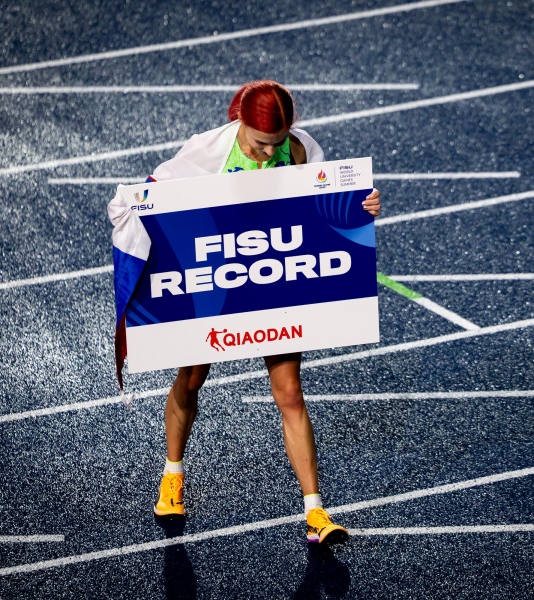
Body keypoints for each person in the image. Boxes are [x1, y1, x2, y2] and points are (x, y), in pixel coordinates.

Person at [140, 80, 381, 545]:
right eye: (259, 143)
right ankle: (173, 474)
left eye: (276, 143)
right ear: (240, 123)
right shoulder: (205, 152)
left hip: (271, 279)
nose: (269, 153)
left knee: (290, 392)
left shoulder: (301, 148)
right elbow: (149, 202)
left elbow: (324, 209)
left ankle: (315, 513)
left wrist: (363, 205)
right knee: (190, 379)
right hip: (216, 281)